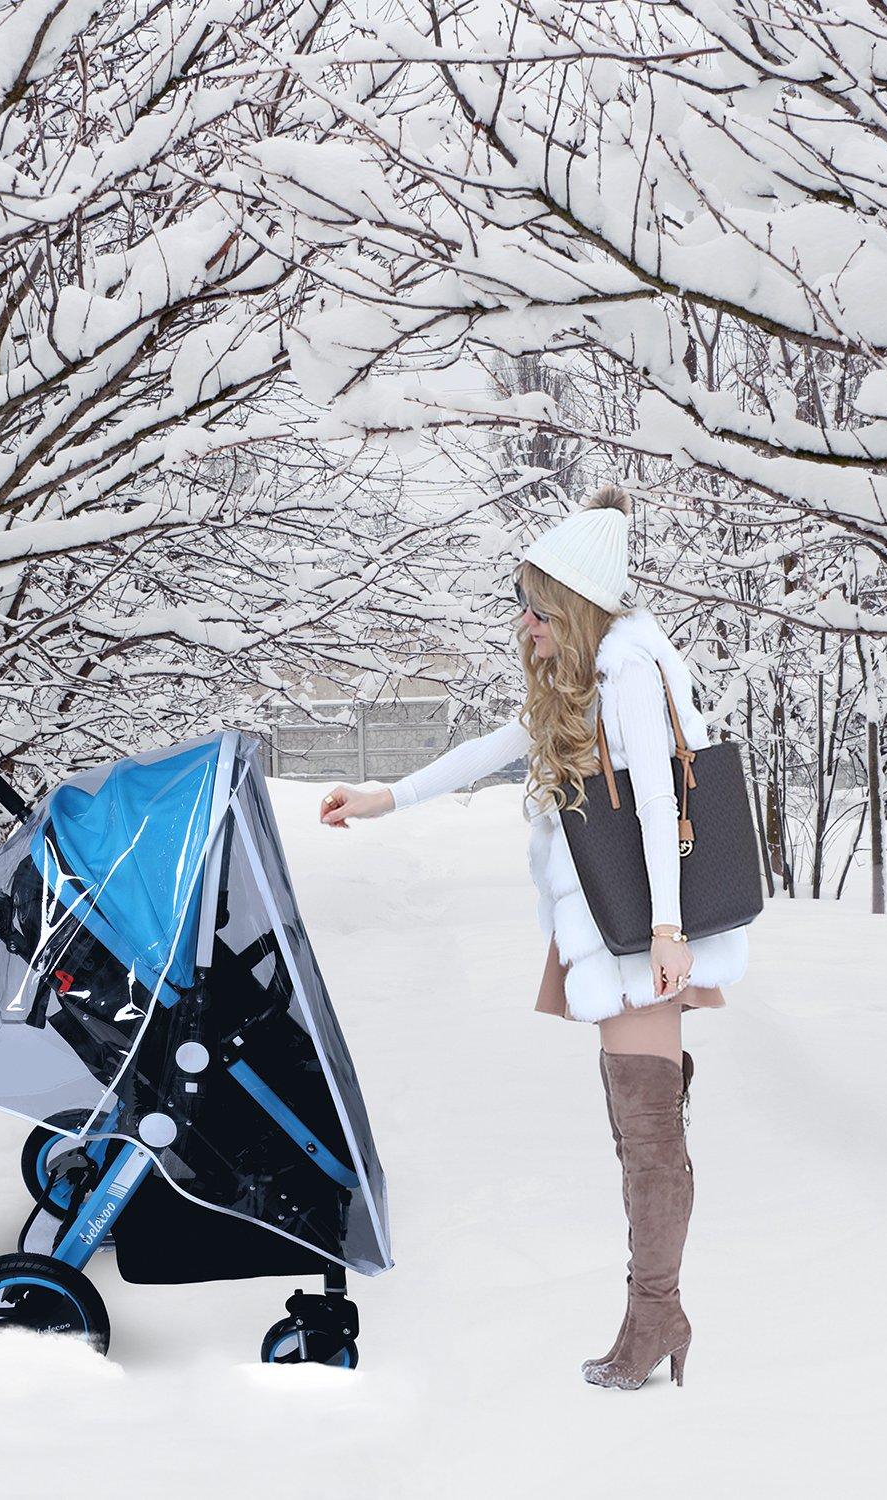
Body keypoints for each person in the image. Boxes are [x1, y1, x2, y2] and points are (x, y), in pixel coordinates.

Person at [317, 483, 750, 1390]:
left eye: (535, 605)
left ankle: (658, 1313)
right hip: (617, 917)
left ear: (573, 604)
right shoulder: (589, 674)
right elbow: (496, 745)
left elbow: (663, 800)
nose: (524, 622)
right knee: (640, 1120)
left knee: (647, 1127)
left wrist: (668, 931)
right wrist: (385, 797)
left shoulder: (629, 664)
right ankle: (654, 1312)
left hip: (640, 924)